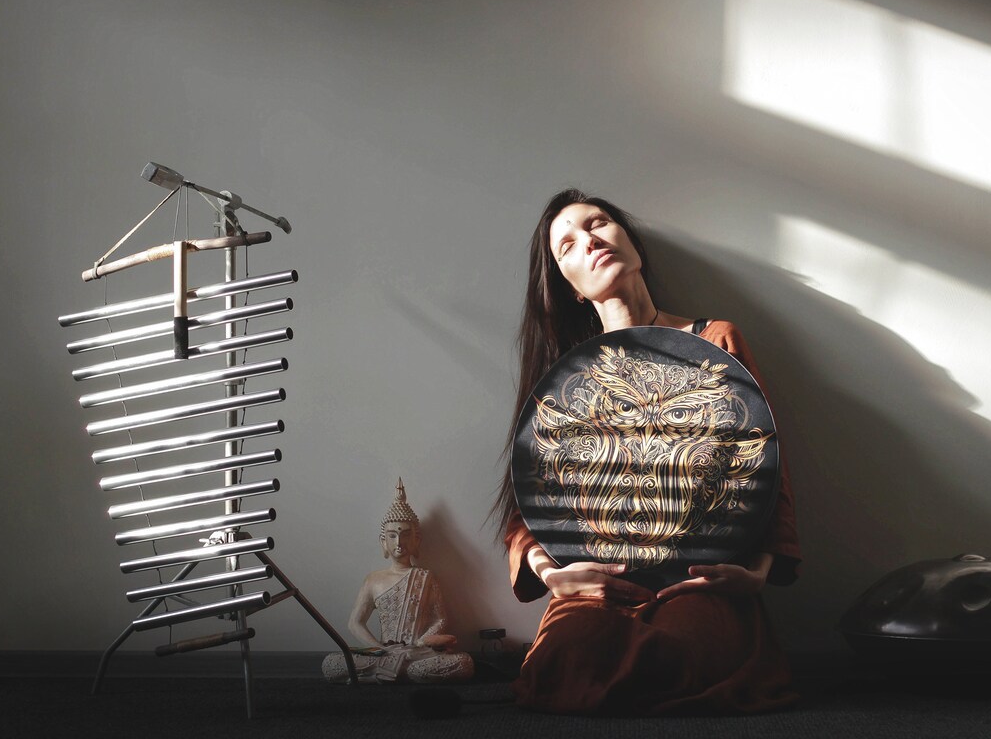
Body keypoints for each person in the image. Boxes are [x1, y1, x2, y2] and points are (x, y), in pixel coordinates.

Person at [492, 189, 801, 715]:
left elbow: (765, 467)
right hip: (599, 582)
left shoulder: (715, 340)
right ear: (570, 289)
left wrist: (758, 573)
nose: (589, 241)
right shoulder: (566, 377)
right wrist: (555, 576)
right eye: (567, 245)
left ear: (632, 243)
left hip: (697, 579)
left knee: (677, 655)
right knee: (565, 661)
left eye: (598, 224)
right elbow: (529, 500)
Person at [322, 479, 474, 684]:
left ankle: (377, 675)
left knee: (464, 663)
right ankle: (393, 671)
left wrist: (420, 643)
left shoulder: (426, 577)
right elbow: (355, 623)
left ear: (416, 540)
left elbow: (440, 619)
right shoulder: (373, 579)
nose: (399, 543)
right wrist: (379, 648)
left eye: (405, 535)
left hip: (417, 653)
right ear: (383, 541)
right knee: (331, 664)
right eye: (392, 536)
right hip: (384, 651)